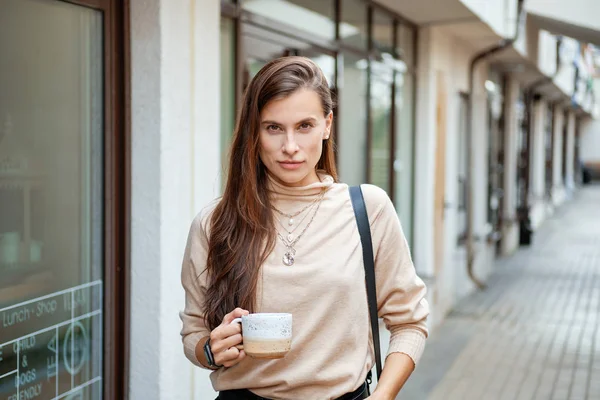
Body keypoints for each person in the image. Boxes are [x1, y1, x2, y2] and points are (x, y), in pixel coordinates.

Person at [180, 56, 429, 400]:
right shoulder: (215, 222)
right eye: (273, 128)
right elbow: (194, 331)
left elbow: (409, 323)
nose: (291, 147)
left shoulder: (367, 210)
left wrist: (383, 395)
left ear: (327, 125)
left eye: (305, 126)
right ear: (254, 132)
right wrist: (210, 349)